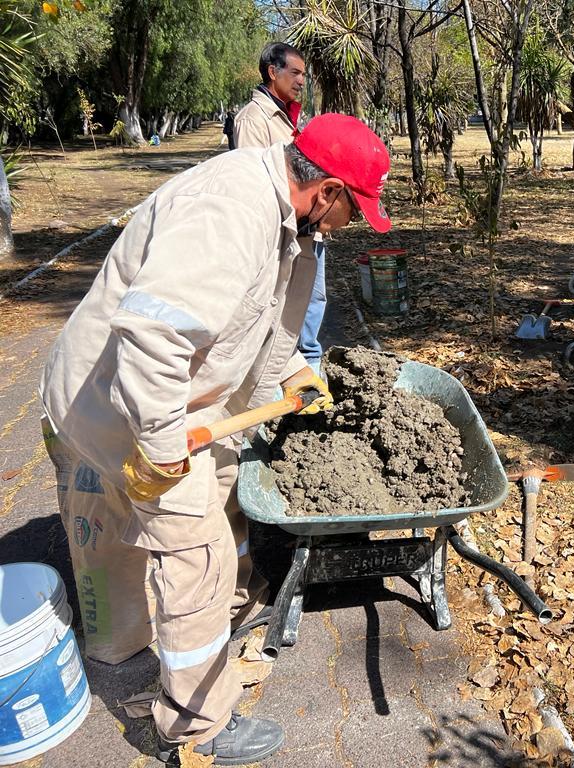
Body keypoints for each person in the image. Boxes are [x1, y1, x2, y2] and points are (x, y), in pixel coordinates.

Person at [39, 113, 392, 764]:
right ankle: (200, 725)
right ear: (330, 192)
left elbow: (253, 319)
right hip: (123, 407)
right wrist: (164, 445)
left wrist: (292, 371)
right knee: (197, 554)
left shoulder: (290, 223)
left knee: (146, 541)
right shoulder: (231, 213)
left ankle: (125, 650)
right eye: (356, 210)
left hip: (152, 402)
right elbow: (151, 339)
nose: (350, 227)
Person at [234, 43, 330, 376]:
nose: (302, 80)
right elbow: (253, 183)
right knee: (277, 305)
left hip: (307, 229)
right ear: (272, 72)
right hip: (280, 233)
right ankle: (275, 376)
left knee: (313, 300)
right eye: (295, 73)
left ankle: (309, 370)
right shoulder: (253, 119)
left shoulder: (287, 116)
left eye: (304, 74)